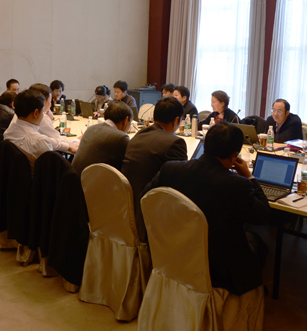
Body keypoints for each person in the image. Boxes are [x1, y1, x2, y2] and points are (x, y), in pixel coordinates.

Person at [141, 122, 270, 296]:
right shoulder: (237, 184)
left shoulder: (170, 169)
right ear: (234, 155)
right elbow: (263, 215)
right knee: (258, 242)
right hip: (218, 268)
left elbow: (145, 199)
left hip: (173, 250)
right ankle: (252, 291)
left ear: (205, 144)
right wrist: (249, 177)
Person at [121, 96, 187, 241]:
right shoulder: (175, 142)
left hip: (125, 209)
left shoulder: (139, 135)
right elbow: (182, 183)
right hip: (149, 216)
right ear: (176, 120)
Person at [4, 90, 78, 169]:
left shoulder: (8, 132)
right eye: (43, 111)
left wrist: (68, 147)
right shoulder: (39, 141)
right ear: (36, 113)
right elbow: (54, 168)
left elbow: (49, 141)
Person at [72, 101, 133, 177]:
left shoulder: (90, 129)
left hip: (74, 179)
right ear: (125, 120)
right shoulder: (121, 138)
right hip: (91, 182)